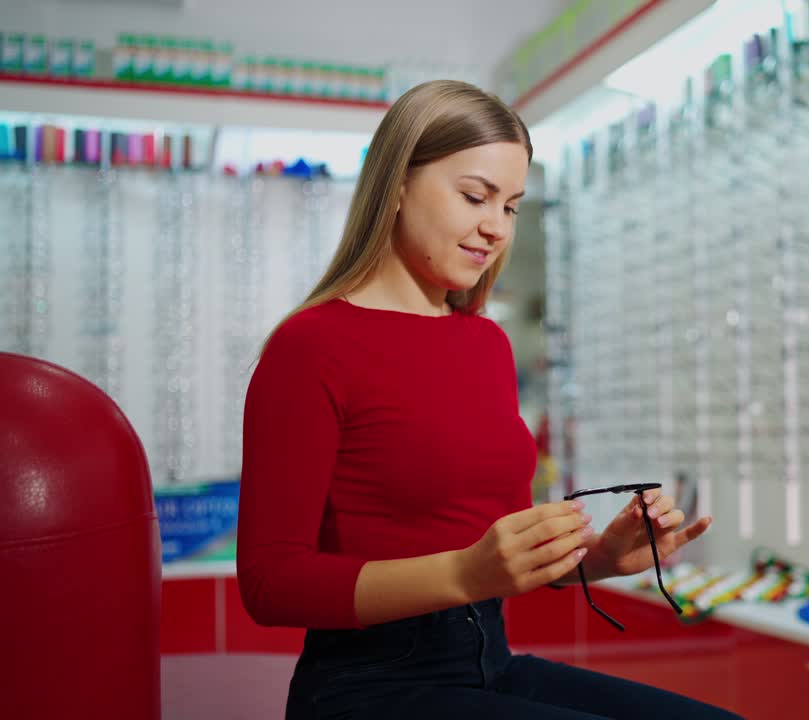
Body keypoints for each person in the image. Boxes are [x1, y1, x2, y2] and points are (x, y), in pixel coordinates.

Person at [237, 80, 738, 720]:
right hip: (369, 688)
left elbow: (491, 548)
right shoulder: (309, 347)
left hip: (488, 662)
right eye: (475, 196)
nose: (495, 227)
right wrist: (463, 576)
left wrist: (596, 559)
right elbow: (269, 583)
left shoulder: (486, 344)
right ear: (395, 184)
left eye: (511, 207)